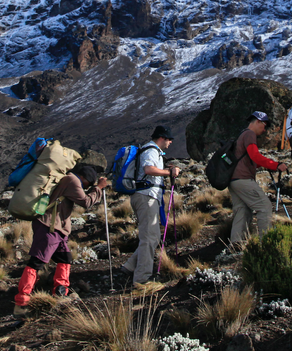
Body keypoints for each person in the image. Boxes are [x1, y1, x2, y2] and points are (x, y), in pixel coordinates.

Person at [13, 165, 109, 316]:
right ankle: (22, 303)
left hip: (56, 228)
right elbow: (86, 202)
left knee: (65, 258)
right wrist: (98, 188)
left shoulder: (68, 179)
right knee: (37, 261)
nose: (86, 187)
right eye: (88, 184)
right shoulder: (72, 180)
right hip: (49, 227)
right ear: (83, 178)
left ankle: (60, 292)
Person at [120, 125, 179, 285]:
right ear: (162, 138)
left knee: (152, 236)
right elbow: (148, 169)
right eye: (169, 139)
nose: (170, 142)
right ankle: (142, 279)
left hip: (147, 196)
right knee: (149, 238)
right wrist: (169, 173)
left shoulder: (152, 151)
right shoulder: (151, 150)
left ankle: (129, 267)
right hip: (147, 197)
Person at [229, 111, 288, 246]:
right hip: (243, 179)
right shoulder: (249, 134)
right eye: (264, 125)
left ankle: (236, 244)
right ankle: (266, 242)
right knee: (264, 206)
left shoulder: (241, 134)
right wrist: (275, 165)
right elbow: (255, 156)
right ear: (258, 122)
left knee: (242, 210)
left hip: (233, 180)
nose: (264, 129)